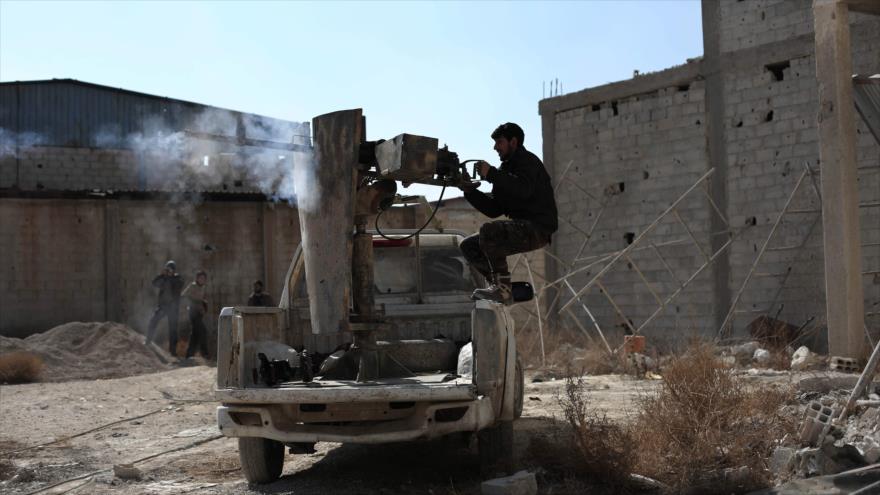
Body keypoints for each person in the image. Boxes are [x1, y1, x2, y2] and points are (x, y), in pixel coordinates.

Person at [459, 122, 558, 304]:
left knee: (489, 232)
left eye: (500, 142)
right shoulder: (505, 170)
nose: (495, 147)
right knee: (469, 245)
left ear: (513, 142)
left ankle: (502, 288)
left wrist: (491, 174)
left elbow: (523, 189)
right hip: (524, 228)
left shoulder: (527, 161)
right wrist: (469, 191)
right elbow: (494, 209)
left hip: (537, 228)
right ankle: (499, 286)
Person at [145, 260, 184, 356]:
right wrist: (161, 275)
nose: (169, 271)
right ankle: (148, 341)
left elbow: (178, 284)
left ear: (174, 270)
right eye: (168, 268)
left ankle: (173, 352)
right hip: (163, 306)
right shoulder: (163, 278)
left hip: (173, 307)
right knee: (153, 320)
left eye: (171, 269)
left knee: (173, 330)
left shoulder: (178, 278)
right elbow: (154, 283)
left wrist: (169, 276)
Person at [182, 270, 209, 359]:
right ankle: (204, 353)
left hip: (199, 313)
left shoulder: (203, 287)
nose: (202, 280)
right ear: (197, 278)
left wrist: (203, 303)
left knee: (195, 334)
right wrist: (193, 302)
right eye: (200, 278)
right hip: (193, 312)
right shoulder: (193, 286)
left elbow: (201, 299)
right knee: (203, 331)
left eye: (204, 278)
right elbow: (184, 295)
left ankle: (189, 354)